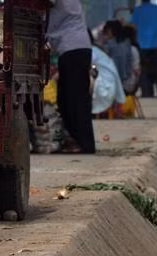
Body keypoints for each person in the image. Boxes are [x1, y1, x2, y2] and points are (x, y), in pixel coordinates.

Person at [47, 0, 96, 153]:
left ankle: (83, 143)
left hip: (71, 47)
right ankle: (81, 141)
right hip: (76, 48)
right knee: (70, 98)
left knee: (73, 99)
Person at [131, 0, 157, 97]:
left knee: (144, 70)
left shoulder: (137, 10)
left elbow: (132, 23)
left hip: (142, 45)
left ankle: (146, 92)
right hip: (156, 44)